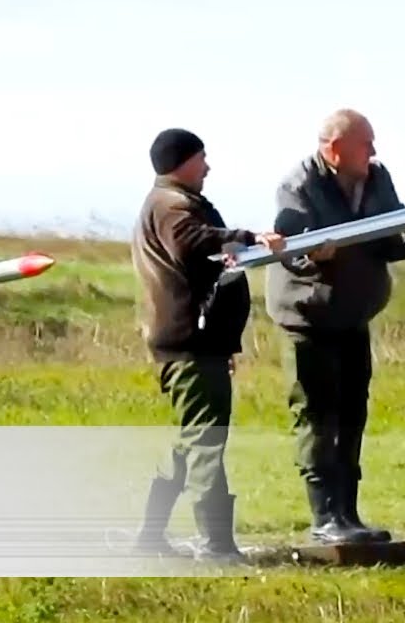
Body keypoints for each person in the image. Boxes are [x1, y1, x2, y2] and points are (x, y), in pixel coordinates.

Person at [265, 108, 405, 545]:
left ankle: (348, 514)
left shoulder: (377, 178)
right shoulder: (299, 185)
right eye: (365, 144)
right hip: (309, 318)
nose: (374, 152)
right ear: (334, 149)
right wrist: (315, 257)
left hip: (353, 316)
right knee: (316, 416)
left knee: (352, 413)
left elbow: (390, 241)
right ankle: (324, 516)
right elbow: (290, 245)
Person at [130, 127, 285, 563]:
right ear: (183, 161)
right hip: (190, 345)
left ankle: (150, 535)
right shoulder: (171, 206)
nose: (208, 167)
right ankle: (217, 546)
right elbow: (190, 241)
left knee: (188, 442)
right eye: (202, 158)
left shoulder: (169, 203)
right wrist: (247, 237)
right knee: (206, 443)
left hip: (198, 344)